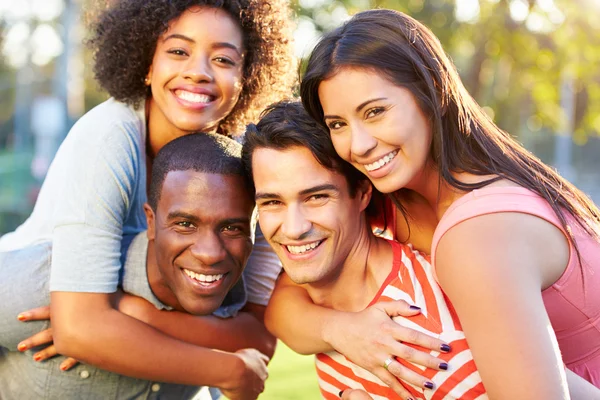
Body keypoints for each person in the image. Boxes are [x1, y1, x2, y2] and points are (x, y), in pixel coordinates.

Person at [265, 9, 600, 400]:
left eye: (375, 112)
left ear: (434, 93)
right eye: (338, 123)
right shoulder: (387, 199)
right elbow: (284, 303)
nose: (358, 145)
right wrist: (342, 329)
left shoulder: (478, 234)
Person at [0, 0, 294, 392]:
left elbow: (259, 336)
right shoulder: (110, 136)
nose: (198, 72)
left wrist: (134, 312)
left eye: (223, 59)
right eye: (178, 51)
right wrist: (226, 372)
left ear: (248, 74)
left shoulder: (247, 159)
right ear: (147, 63)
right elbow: (78, 329)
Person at [242, 100, 489, 399]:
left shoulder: (427, 328)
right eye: (272, 202)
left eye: (317, 197)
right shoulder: (322, 306)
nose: (293, 228)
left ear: (361, 193)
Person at [0, 133, 270, 399]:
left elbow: (262, 344)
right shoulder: (54, 283)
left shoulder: (232, 301)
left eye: (232, 227)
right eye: (185, 224)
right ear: (151, 222)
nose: (210, 254)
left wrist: (132, 313)